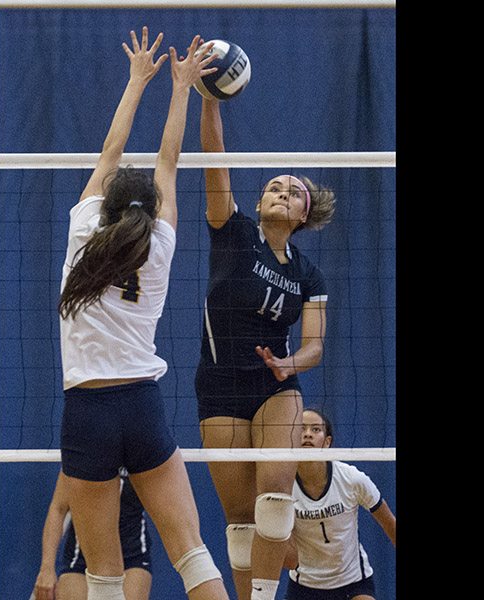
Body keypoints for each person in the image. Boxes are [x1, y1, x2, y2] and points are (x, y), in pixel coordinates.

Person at [56, 27, 229, 600]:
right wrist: (181, 88)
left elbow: (111, 153)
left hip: (87, 409)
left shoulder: (83, 230)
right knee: (193, 555)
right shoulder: (161, 243)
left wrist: (136, 81)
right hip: (142, 404)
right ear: (150, 210)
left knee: (103, 574)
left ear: (103, 205)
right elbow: (169, 161)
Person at [195, 94, 337, 600]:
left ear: (303, 213)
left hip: (276, 383)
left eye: (292, 191)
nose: (281, 192)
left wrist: (287, 364)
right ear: (258, 205)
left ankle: (263, 598)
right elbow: (216, 160)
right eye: (273, 187)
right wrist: (210, 102)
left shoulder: (308, 273)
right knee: (238, 519)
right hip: (218, 384)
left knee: (274, 494)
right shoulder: (233, 234)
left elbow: (315, 346)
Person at [282, 408, 396, 600]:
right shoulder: (283, 486)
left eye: (316, 429)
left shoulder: (352, 479)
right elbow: (287, 557)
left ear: (327, 442)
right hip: (305, 585)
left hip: (353, 582)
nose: (308, 433)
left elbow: (389, 523)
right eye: (301, 429)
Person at [30, 468, 153, 600]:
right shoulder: (81, 455)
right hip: (82, 558)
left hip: (131, 555)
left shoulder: (140, 453)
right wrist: (46, 569)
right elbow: (58, 509)